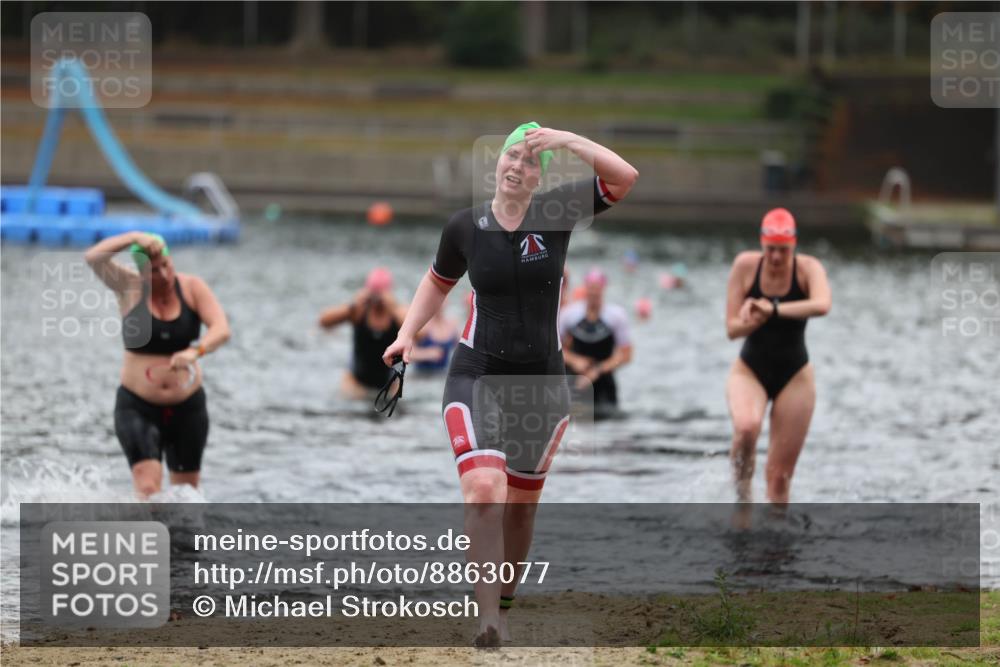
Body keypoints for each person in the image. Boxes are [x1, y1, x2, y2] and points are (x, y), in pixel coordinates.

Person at [382, 122, 638, 646]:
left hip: (543, 383)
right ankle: (488, 621)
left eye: (529, 162)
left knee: (521, 508)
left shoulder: (557, 212)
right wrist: (408, 334)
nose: (517, 168)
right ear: (496, 163)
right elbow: (437, 283)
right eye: (511, 158)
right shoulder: (465, 227)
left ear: (539, 175)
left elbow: (624, 177)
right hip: (478, 372)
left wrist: (566, 141)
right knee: (482, 488)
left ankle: (503, 605)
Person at [84, 231, 230, 498]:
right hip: (138, 406)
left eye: (166, 266)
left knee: (186, 495)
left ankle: (180, 540)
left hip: (188, 407)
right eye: (153, 271)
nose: (163, 275)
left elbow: (221, 329)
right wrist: (133, 236)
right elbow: (93, 258)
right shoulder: (129, 287)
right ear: (140, 272)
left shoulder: (192, 287)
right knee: (149, 489)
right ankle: (149, 537)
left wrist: (196, 350)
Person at [724, 208, 831, 506]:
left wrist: (772, 310)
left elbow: (822, 305)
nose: (775, 258)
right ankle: (742, 500)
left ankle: (776, 545)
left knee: (779, 480)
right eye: (770, 249)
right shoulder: (745, 266)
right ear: (762, 244)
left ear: (793, 245)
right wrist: (751, 320)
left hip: (795, 375)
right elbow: (732, 329)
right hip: (750, 370)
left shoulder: (808, 268)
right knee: (746, 427)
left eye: (782, 251)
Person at [319, 268, 407, 399]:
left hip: (389, 386)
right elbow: (323, 322)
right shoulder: (359, 311)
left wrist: (393, 308)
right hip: (356, 384)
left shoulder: (397, 315)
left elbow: (420, 334)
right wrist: (351, 305)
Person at [559, 268, 633, 418]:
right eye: (590, 288)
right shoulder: (569, 315)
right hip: (576, 379)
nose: (593, 293)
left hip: (603, 381)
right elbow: (556, 349)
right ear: (585, 288)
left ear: (603, 289)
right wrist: (575, 361)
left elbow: (626, 355)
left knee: (608, 423)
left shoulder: (616, 316)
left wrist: (598, 370)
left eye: (597, 289)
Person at [412, 302, 459, 373]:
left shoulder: (452, 325)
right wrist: (427, 354)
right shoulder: (423, 326)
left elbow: (462, 351)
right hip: (422, 376)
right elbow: (407, 354)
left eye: (443, 300)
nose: (441, 304)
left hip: (441, 376)